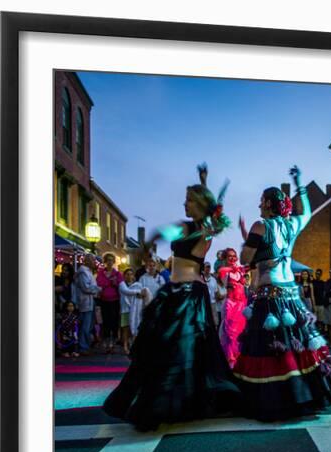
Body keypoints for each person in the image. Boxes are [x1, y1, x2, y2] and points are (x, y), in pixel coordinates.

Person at [103, 163, 241, 430]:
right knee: (171, 348)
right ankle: (175, 400)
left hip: (188, 295)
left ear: (200, 204)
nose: (184, 204)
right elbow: (166, 232)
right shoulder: (191, 227)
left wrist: (204, 183)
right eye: (185, 199)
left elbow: (200, 219)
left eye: (189, 200)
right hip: (179, 293)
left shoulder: (198, 230)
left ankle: (173, 402)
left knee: (180, 349)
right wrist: (203, 181)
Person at [234, 165, 331, 421]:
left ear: (270, 204)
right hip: (291, 295)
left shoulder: (260, 225)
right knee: (298, 344)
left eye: (262, 201)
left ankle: (276, 399)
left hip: (268, 293)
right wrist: (299, 183)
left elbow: (245, 257)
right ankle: (306, 394)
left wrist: (250, 246)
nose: (259, 205)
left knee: (270, 348)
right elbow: (305, 211)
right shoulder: (291, 225)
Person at [218, 248, 249, 368]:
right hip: (231, 305)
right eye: (229, 256)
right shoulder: (225, 271)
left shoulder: (240, 271)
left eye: (234, 256)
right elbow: (221, 271)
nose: (232, 258)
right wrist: (235, 268)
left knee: (241, 332)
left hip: (241, 305)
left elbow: (249, 268)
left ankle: (240, 356)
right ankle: (230, 360)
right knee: (230, 333)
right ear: (225, 258)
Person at [96, 253, 124, 354]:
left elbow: (121, 286)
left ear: (114, 262)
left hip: (115, 301)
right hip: (104, 301)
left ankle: (113, 344)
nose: (110, 262)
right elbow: (99, 284)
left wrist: (115, 283)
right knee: (106, 322)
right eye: (108, 260)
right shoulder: (100, 273)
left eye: (111, 260)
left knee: (114, 322)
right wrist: (109, 282)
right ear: (105, 261)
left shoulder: (117, 274)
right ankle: (107, 344)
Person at [74, 254, 100, 355]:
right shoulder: (83, 272)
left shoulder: (88, 271)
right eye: (93, 260)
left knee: (89, 325)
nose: (95, 262)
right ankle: (83, 347)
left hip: (90, 301)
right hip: (85, 302)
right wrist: (98, 289)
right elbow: (86, 287)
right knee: (85, 325)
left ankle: (86, 345)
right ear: (87, 261)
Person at [118, 268, 146, 354]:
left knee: (133, 328)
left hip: (135, 310)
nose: (129, 276)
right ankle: (125, 346)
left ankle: (132, 345)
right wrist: (138, 292)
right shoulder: (122, 284)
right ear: (124, 276)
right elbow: (127, 292)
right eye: (127, 274)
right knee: (126, 329)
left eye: (131, 274)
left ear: (133, 276)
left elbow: (142, 295)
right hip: (125, 309)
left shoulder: (137, 284)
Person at [201, 261, 220, 327]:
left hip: (212, 303)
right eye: (206, 267)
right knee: (204, 320)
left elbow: (216, 292)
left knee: (215, 321)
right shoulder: (200, 278)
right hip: (203, 303)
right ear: (203, 268)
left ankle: (215, 331)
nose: (208, 268)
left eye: (209, 267)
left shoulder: (213, 280)